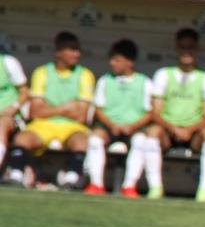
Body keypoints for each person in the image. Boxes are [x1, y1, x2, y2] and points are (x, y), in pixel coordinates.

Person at [5, 32, 95, 189]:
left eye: (78, 50)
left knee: (81, 141)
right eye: (72, 50)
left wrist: (49, 108)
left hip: (72, 126)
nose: (76, 54)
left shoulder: (85, 75)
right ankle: (16, 174)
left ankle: (72, 178)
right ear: (59, 52)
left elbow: (81, 115)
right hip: (44, 125)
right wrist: (66, 107)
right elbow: (36, 111)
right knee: (22, 139)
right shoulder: (42, 72)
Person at [146, 28, 205, 201]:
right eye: (183, 47)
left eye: (191, 47)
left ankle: (204, 191)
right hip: (168, 130)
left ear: (197, 49)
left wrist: (188, 129)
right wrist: (173, 128)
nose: (187, 51)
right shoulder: (163, 74)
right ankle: (155, 187)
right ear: (177, 48)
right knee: (152, 132)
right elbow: (155, 113)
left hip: (194, 133)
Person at [83, 39, 154, 197]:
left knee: (141, 141)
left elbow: (150, 113)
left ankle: (129, 186)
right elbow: (99, 109)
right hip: (108, 127)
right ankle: (96, 184)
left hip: (134, 128)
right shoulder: (104, 81)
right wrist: (112, 124)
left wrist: (132, 126)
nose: (112, 63)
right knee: (95, 139)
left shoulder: (145, 82)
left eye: (117, 60)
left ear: (130, 62)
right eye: (112, 59)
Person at [0, 51, 28, 171]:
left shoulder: (8, 62)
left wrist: (14, 107)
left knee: (2, 124)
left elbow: (25, 92)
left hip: (9, 116)